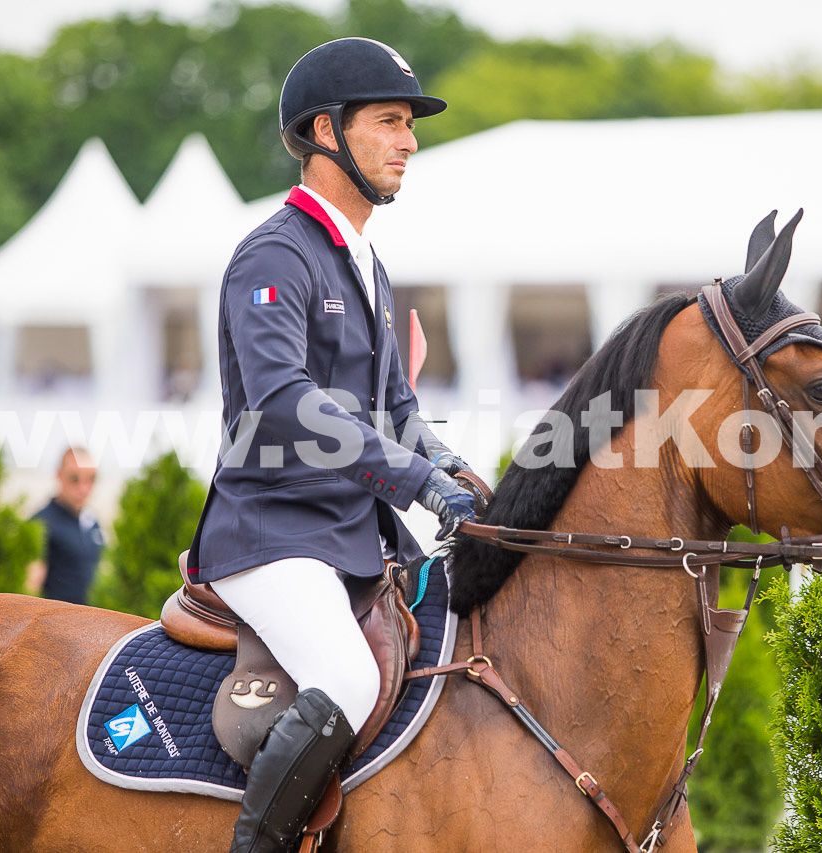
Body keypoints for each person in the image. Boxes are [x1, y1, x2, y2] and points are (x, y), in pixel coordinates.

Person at [184, 38, 478, 853]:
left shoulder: (366, 263)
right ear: (326, 131)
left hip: (348, 535)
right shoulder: (275, 254)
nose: (408, 141)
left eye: (409, 125)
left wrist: (450, 468)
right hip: (272, 532)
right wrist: (415, 479)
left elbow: (397, 408)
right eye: (389, 121)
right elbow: (283, 400)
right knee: (348, 677)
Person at [27, 447, 104, 604]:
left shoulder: (92, 523)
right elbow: (30, 588)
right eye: (74, 479)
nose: (83, 488)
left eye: (91, 479)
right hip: (54, 616)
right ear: (59, 475)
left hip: (90, 615)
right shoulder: (41, 523)